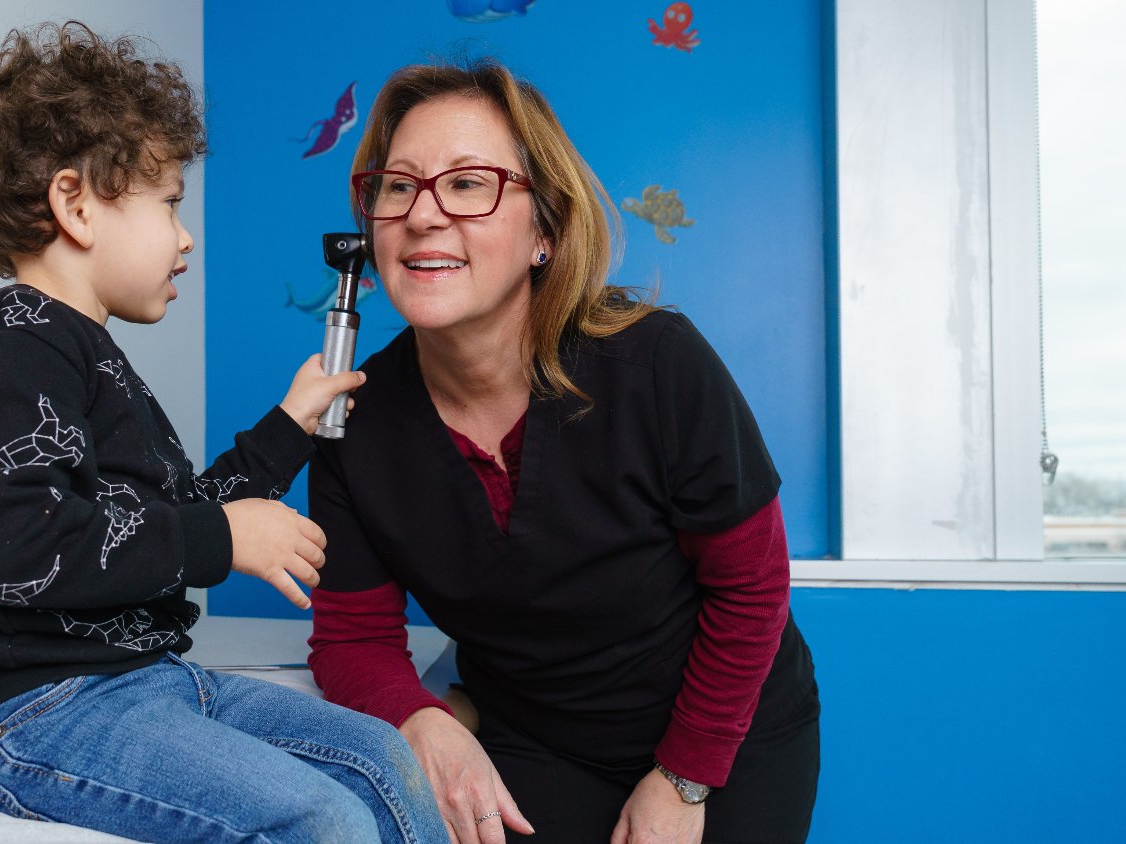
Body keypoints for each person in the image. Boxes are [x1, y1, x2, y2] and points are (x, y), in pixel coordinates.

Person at [0, 22, 447, 843]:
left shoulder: (84, 354)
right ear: (76, 205)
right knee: (319, 818)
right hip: (26, 706)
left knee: (379, 756)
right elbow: (20, 547)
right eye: (169, 205)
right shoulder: (15, 339)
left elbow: (165, 520)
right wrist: (219, 538)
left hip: (145, 677)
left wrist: (288, 428)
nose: (186, 237)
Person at [307, 61, 820, 844]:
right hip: (539, 742)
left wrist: (684, 780)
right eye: (397, 185)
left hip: (728, 734)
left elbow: (750, 589)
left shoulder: (656, 364)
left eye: (470, 183)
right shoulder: (353, 419)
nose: (422, 215)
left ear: (544, 230)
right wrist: (421, 722)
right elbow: (353, 639)